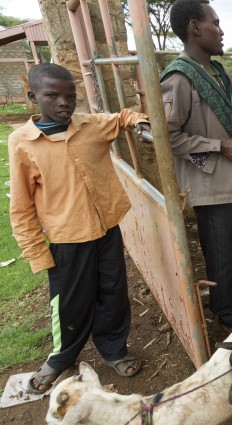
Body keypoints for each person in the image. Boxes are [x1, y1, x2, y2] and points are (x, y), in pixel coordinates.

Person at [9, 63, 150, 394]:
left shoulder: (90, 125)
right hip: (66, 240)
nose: (64, 103)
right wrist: (37, 253)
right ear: (33, 97)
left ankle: (114, 349)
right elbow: (21, 206)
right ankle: (61, 358)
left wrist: (140, 121)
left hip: (106, 231)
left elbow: (121, 118)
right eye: (53, 96)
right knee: (70, 303)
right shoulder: (22, 143)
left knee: (113, 293)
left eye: (70, 96)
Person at [161, 0, 232, 333]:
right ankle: (225, 309)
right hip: (209, 181)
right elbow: (168, 138)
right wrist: (218, 146)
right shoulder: (178, 78)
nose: (221, 32)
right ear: (194, 28)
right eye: (215, 24)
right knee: (220, 248)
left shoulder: (219, 72)